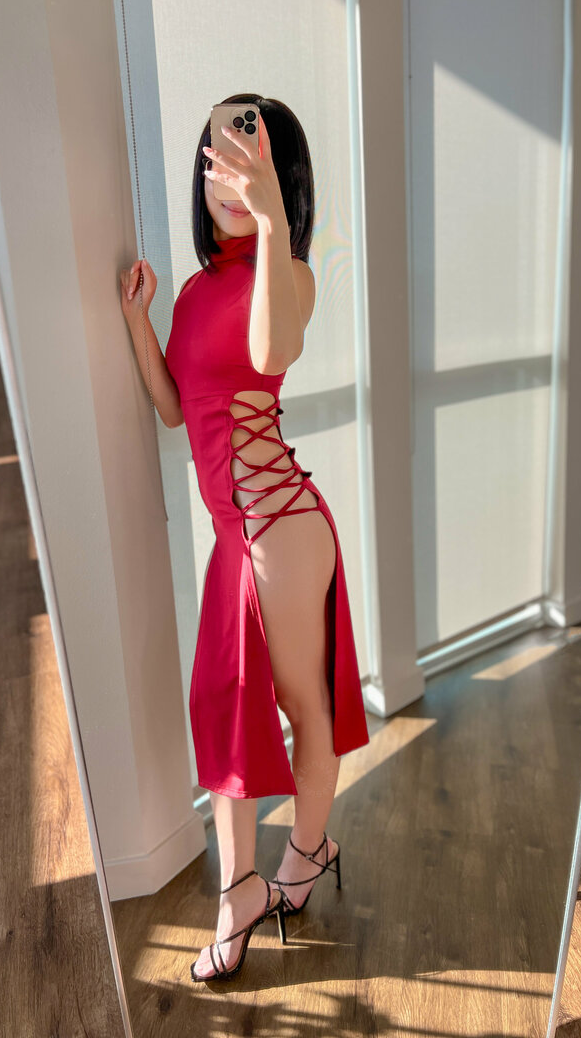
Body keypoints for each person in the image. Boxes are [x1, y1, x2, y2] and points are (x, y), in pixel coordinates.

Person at [119, 94, 370, 982]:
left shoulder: (291, 272)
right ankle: (252, 884)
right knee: (226, 706)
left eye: (247, 160)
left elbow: (269, 355)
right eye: (215, 160)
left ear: (279, 174)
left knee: (300, 708)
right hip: (243, 536)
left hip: (283, 529)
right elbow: (174, 409)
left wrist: (270, 224)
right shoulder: (195, 291)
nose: (227, 179)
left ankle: (293, 860)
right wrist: (139, 321)